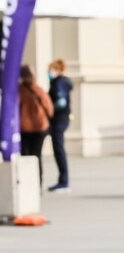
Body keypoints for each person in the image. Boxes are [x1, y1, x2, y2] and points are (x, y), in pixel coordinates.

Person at [18, 65, 53, 187]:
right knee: (36, 155)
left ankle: (27, 183)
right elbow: (49, 108)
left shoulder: (19, 91)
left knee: (25, 156)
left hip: (25, 128)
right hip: (40, 127)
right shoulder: (38, 89)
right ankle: (38, 183)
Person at [46, 59, 73, 192]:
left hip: (58, 120)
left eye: (51, 70)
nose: (49, 73)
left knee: (59, 149)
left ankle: (64, 181)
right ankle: (63, 181)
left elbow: (61, 101)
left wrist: (49, 109)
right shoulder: (62, 82)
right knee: (59, 149)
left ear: (57, 70)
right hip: (62, 119)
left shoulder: (59, 83)